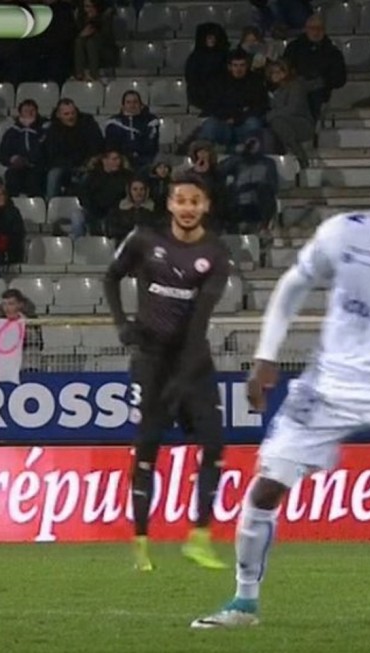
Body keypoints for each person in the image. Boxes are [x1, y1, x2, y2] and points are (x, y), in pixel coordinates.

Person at [191, 152, 370, 628]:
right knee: (266, 489)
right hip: (330, 384)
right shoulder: (344, 235)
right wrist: (266, 356)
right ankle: (243, 603)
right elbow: (294, 284)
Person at [103, 170, 231, 572]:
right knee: (147, 446)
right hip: (151, 359)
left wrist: (182, 378)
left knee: (214, 445)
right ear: (170, 204)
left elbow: (200, 321)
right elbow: (110, 277)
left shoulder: (215, 254)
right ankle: (141, 543)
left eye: (195, 201)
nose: (188, 208)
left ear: (206, 206)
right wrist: (122, 323)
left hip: (192, 359)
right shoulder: (144, 240)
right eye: (181, 200)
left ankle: (200, 538)